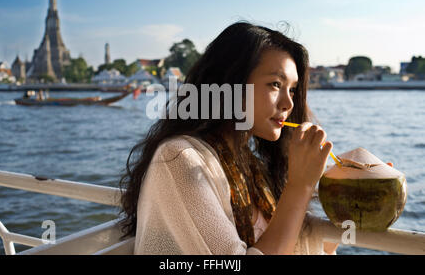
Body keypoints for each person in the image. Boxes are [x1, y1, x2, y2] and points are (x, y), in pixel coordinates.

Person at [118, 21, 339, 255]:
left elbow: (309, 243)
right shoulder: (179, 159)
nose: (288, 103)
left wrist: (348, 186)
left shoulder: (252, 168)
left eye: (292, 89)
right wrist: (299, 186)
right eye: (275, 84)